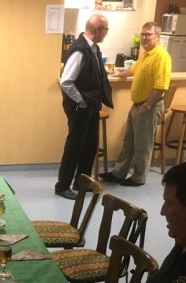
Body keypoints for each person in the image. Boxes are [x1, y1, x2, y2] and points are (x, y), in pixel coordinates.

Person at [100, 22, 171, 187]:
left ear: (158, 36)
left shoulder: (162, 56)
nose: (144, 38)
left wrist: (147, 105)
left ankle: (138, 178)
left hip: (149, 106)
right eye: (142, 34)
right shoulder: (146, 55)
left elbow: (161, 87)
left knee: (142, 144)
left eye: (148, 34)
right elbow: (132, 70)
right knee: (129, 142)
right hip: (138, 105)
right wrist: (118, 73)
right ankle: (119, 173)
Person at [55, 14, 113, 200]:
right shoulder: (80, 50)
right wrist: (81, 101)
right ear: (98, 29)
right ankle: (62, 186)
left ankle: (81, 182)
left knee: (90, 145)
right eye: (106, 30)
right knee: (74, 146)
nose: (107, 33)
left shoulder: (93, 48)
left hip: (91, 105)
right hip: (81, 107)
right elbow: (66, 81)